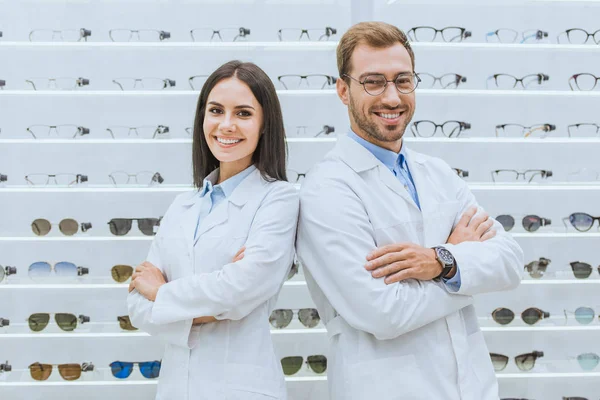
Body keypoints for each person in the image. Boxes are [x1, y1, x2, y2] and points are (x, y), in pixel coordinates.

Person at [296, 22, 524, 400]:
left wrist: (441, 261)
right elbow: (384, 314)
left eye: (403, 80)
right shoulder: (327, 190)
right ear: (342, 90)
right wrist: (467, 274)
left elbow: (511, 262)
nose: (391, 97)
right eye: (373, 82)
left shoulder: (437, 173)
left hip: (473, 388)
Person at [127, 60, 299, 400]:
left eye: (244, 113)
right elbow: (136, 306)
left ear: (265, 124)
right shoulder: (182, 206)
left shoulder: (279, 199)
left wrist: (161, 293)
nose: (226, 125)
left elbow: (241, 289)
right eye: (216, 110)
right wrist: (212, 305)